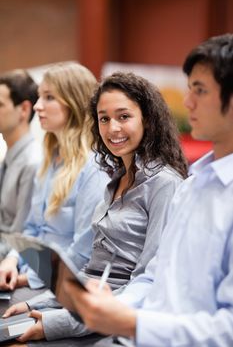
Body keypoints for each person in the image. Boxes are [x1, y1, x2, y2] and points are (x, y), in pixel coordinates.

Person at [60, 33, 233, 347]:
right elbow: (154, 276)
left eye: (200, 90)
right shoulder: (194, 186)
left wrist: (132, 322)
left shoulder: (170, 184)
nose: (188, 102)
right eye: (104, 119)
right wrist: (111, 309)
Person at [3, 71, 188, 342]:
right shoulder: (115, 178)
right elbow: (91, 271)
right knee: (11, 322)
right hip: (85, 306)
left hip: (115, 317)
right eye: (104, 119)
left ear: (147, 119)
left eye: (123, 117)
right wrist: (40, 305)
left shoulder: (164, 184)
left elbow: (145, 283)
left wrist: (57, 322)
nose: (112, 128)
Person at [0, 61, 109, 291]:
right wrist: (11, 261)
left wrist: (29, 279)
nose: (38, 106)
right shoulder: (50, 160)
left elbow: (83, 250)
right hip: (32, 275)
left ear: (74, 102)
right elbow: (31, 229)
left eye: (49, 97)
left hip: (60, 286)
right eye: (40, 97)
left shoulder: (94, 166)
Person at [0, 69, 41, 259]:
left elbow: (20, 237)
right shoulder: (8, 158)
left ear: (24, 109)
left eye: (0, 105)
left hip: (12, 261)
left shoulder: (33, 162)